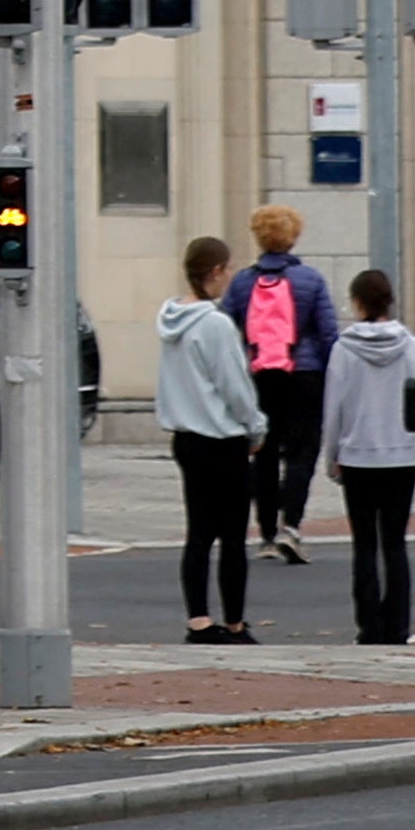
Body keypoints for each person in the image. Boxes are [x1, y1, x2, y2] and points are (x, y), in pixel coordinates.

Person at [154, 239, 260, 645]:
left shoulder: (169, 320)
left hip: (186, 437)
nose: (229, 278)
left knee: (198, 532)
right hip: (223, 438)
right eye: (228, 269)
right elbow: (234, 385)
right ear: (214, 272)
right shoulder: (214, 324)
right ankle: (234, 621)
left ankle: (198, 618)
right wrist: (256, 425)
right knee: (233, 534)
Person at [321, 267, 415, 646]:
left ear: (357, 303)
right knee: (395, 542)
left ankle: (369, 626)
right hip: (402, 452)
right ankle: (397, 625)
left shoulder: (343, 350)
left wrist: (331, 453)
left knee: (364, 544)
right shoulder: (414, 346)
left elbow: (333, 406)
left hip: (357, 454)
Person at [220, 203, 334, 566]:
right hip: (306, 374)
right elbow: (329, 333)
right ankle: (292, 526)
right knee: (303, 451)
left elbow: (225, 330)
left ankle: (267, 532)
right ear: (294, 236)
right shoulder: (311, 280)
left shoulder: (241, 282)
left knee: (264, 453)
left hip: (260, 374)